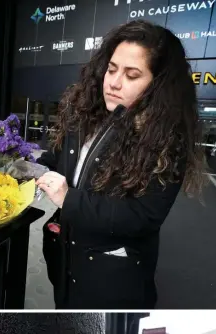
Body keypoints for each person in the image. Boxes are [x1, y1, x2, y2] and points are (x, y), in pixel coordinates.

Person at [35, 20, 205, 309]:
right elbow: (60, 159)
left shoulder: (166, 140)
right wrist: (29, 165)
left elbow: (143, 216)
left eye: (132, 75)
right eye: (112, 69)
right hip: (66, 262)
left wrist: (69, 199)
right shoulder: (85, 114)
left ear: (158, 84)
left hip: (110, 281)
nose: (113, 83)